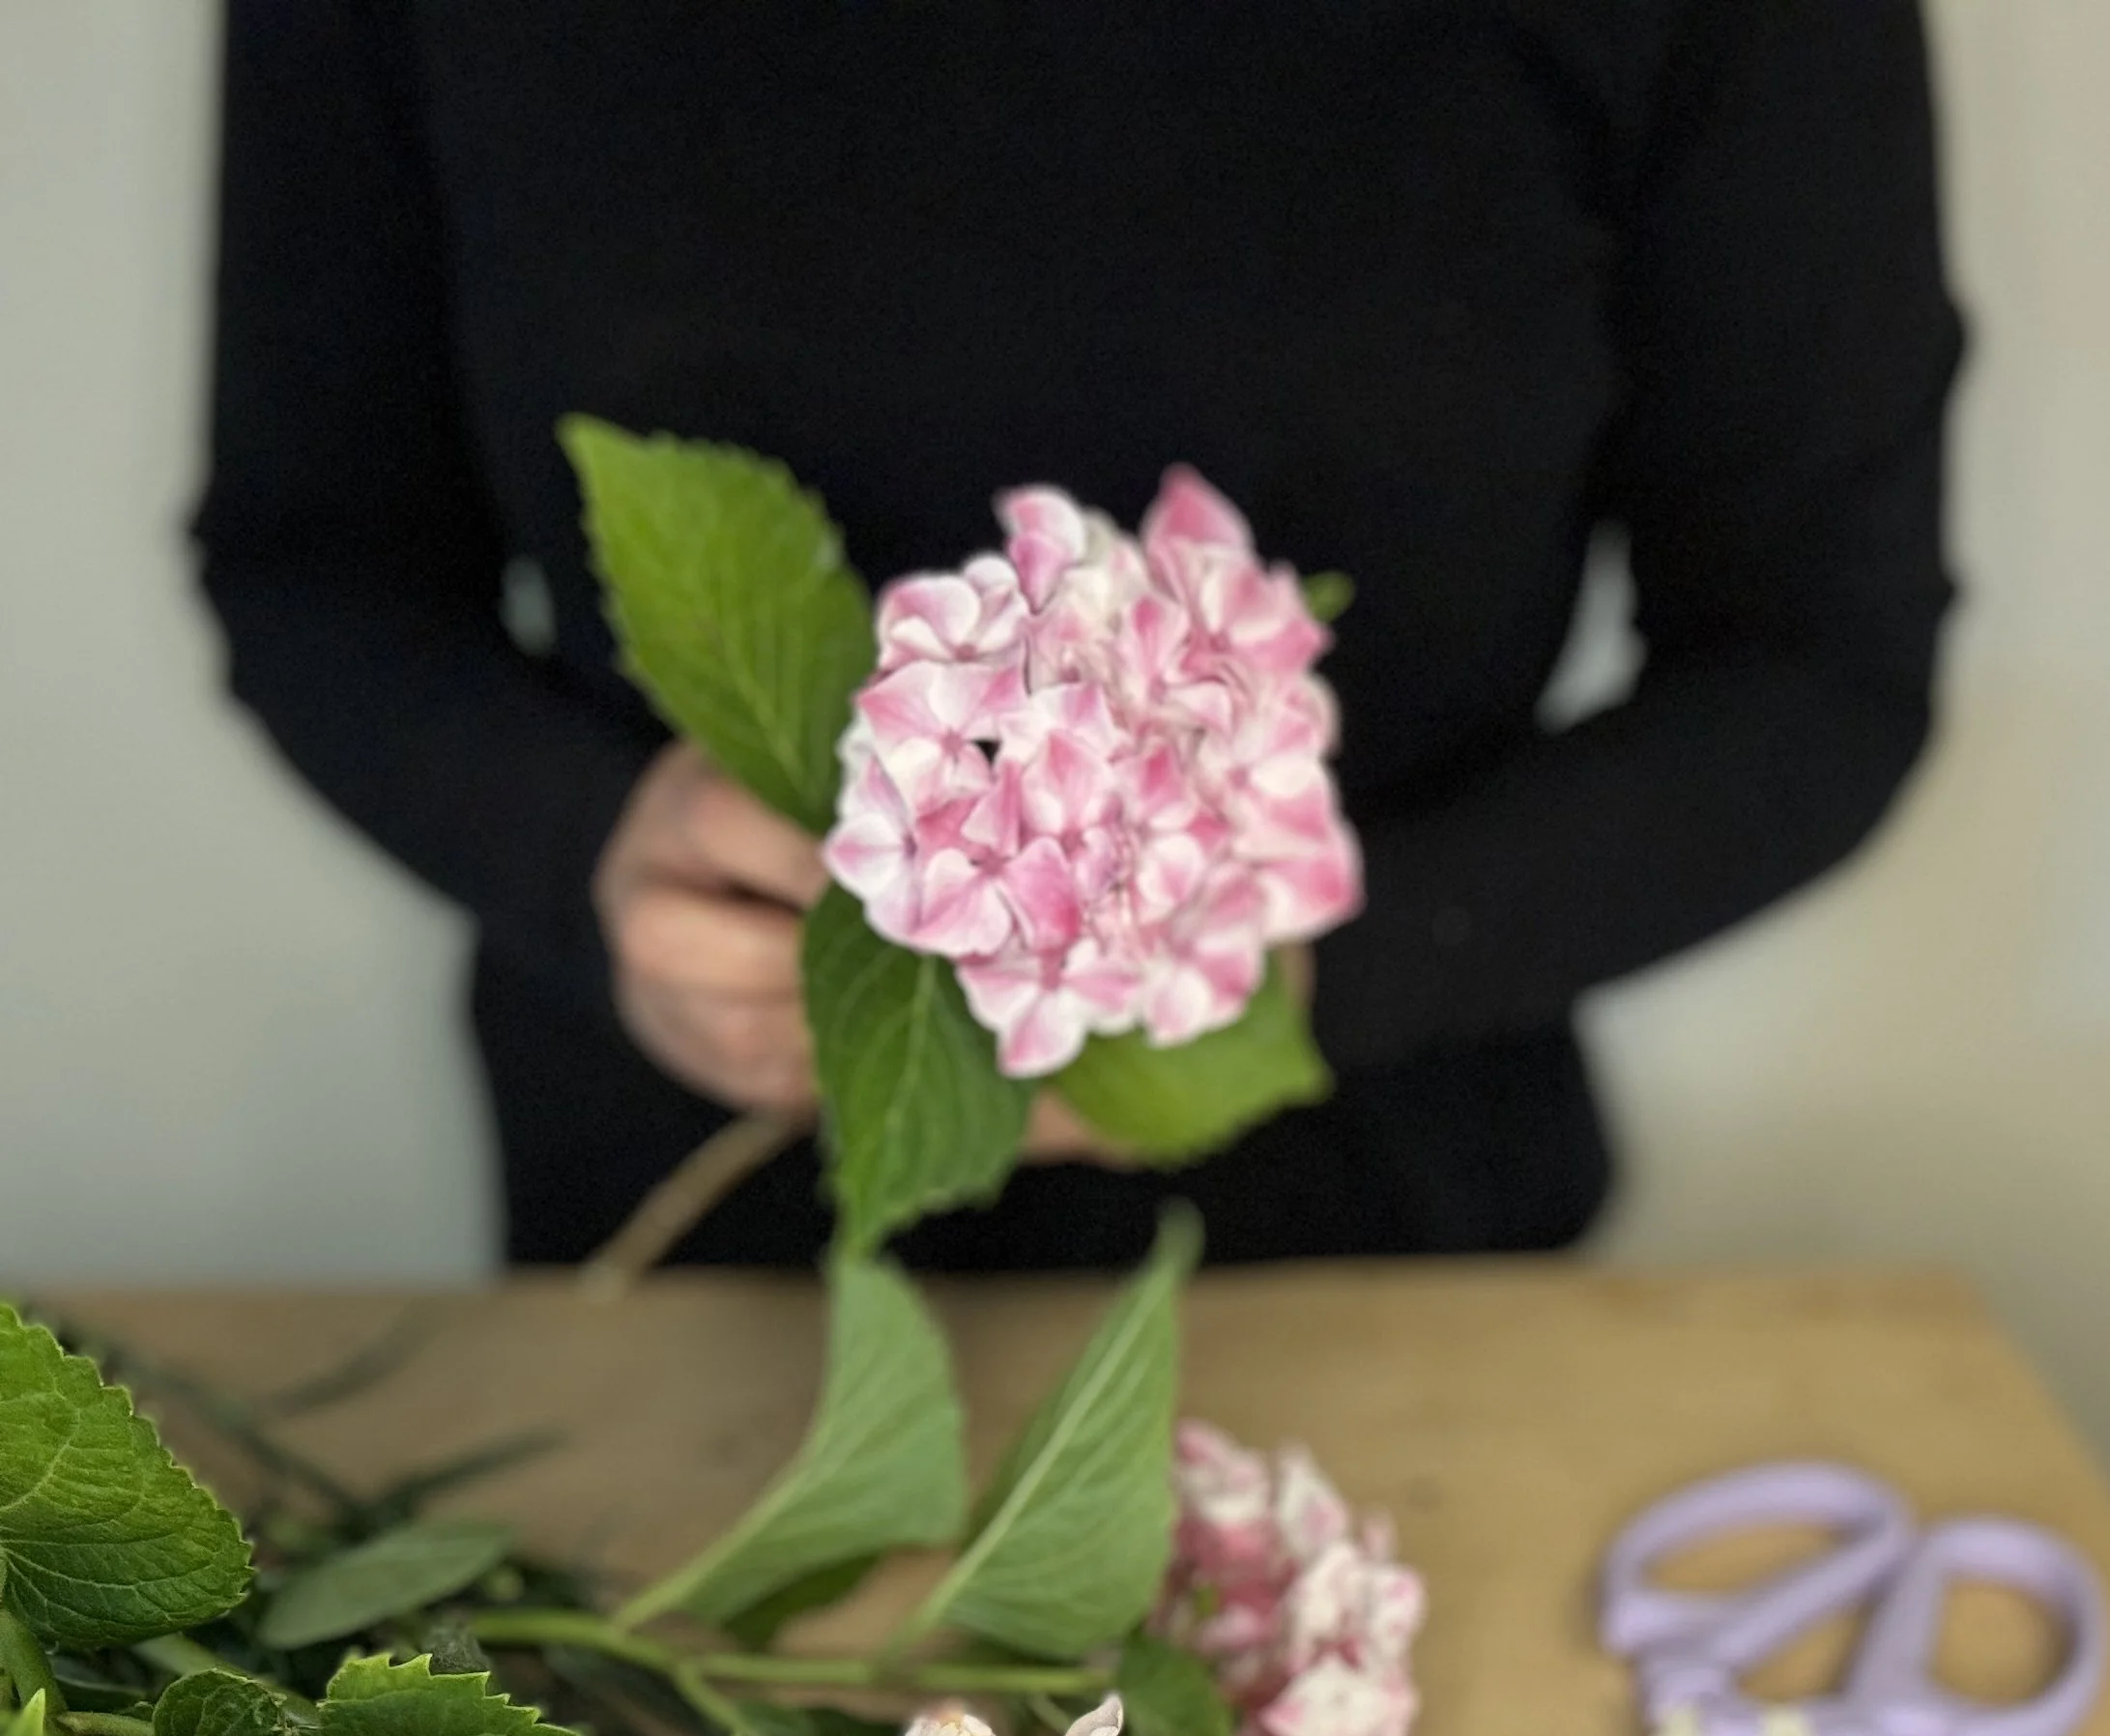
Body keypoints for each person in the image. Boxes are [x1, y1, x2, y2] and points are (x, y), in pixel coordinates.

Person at [196, 0, 1962, 1273]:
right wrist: (586, 854)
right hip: (676, 1270)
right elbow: (315, 564)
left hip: (1394, 1259)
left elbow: (1819, 663)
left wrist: (1322, 969)